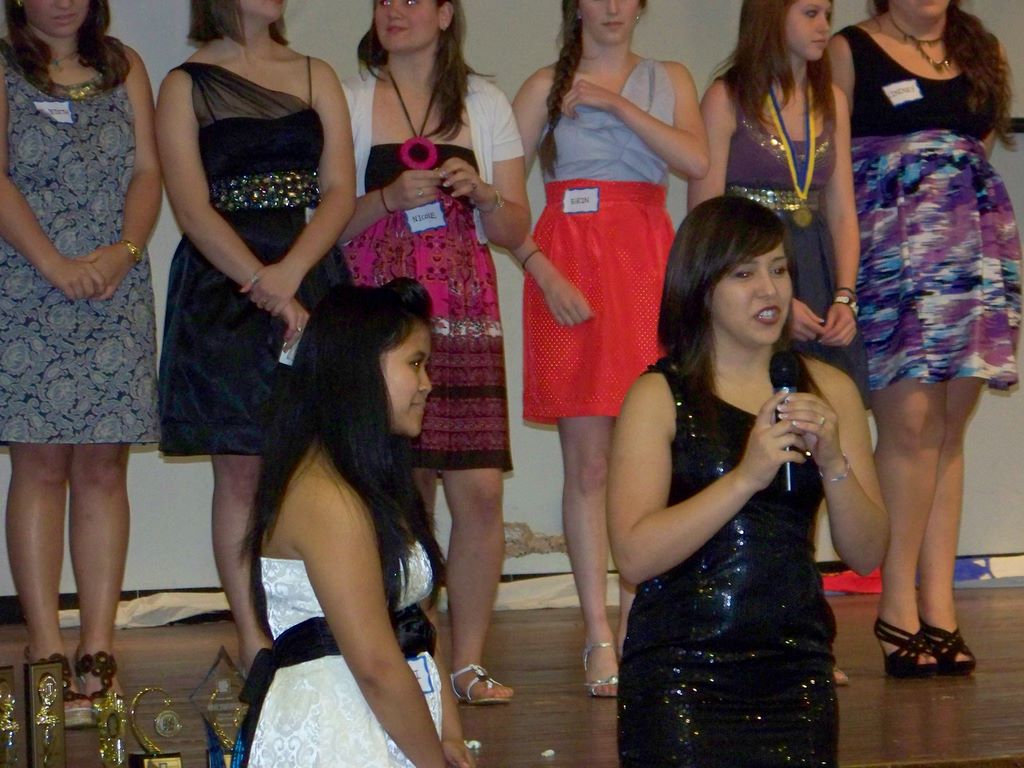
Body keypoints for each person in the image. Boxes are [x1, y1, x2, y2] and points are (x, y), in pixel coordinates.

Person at [609, 197, 887, 767]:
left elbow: (867, 553)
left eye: (779, 269)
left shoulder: (829, 390)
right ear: (701, 287)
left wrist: (834, 461)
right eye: (744, 274)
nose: (770, 290)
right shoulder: (658, 396)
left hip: (797, 670)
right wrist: (745, 477)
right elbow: (634, 557)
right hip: (680, 672)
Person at [511, 0, 708, 696]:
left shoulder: (668, 77)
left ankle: (638, 624)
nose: (614, 7)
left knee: (646, 461)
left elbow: (696, 158)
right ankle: (598, 632)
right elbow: (500, 197)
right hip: (569, 269)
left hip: (647, 267)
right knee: (589, 464)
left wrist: (616, 105)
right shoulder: (543, 85)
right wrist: (541, 269)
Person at [340, 0, 529, 704]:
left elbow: (515, 227)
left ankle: (467, 663)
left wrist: (484, 194)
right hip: (386, 322)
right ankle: (415, 657)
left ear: (446, 14)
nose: (395, 10)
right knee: (404, 491)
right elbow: (330, 223)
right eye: (384, 0)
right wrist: (388, 197)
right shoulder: (350, 99)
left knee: (480, 491)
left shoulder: (485, 101)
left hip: (467, 318)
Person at [156, 0, 355, 670]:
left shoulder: (316, 74)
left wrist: (293, 273)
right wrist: (263, 283)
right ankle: (254, 635)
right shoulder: (184, 85)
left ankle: (320, 621)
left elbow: (338, 190)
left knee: (318, 460)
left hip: (309, 271)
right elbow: (191, 207)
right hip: (224, 288)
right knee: (240, 469)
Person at [830, 0, 1020, 677]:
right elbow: (831, 170)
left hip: (970, 252)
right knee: (909, 425)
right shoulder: (849, 50)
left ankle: (939, 606)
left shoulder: (980, 47)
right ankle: (896, 602)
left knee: (947, 431)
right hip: (892, 253)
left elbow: (975, 150)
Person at [0, 0, 161, 726]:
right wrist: (55, 265)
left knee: (102, 467)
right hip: (27, 282)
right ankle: (45, 651)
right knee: (38, 466)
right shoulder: (3, 68)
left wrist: (122, 254)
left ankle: (98, 652)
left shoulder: (126, 67)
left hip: (113, 285)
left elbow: (148, 172)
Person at [240, 279, 472, 768]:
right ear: (360, 370)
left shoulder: (374, 484)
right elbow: (375, 666)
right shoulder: (326, 498)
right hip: (336, 734)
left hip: (399, 725)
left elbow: (420, 624)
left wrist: (450, 734)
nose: (427, 384)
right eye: (415, 364)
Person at [689, 0, 867, 400]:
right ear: (771, 16)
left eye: (827, 15)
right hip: (749, 267)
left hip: (815, 270)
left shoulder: (832, 100)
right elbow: (705, 220)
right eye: (810, 14)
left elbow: (843, 212)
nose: (824, 27)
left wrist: (845, 297)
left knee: (825, 404)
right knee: (757, 402)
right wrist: (774, 297)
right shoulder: (726, 97)